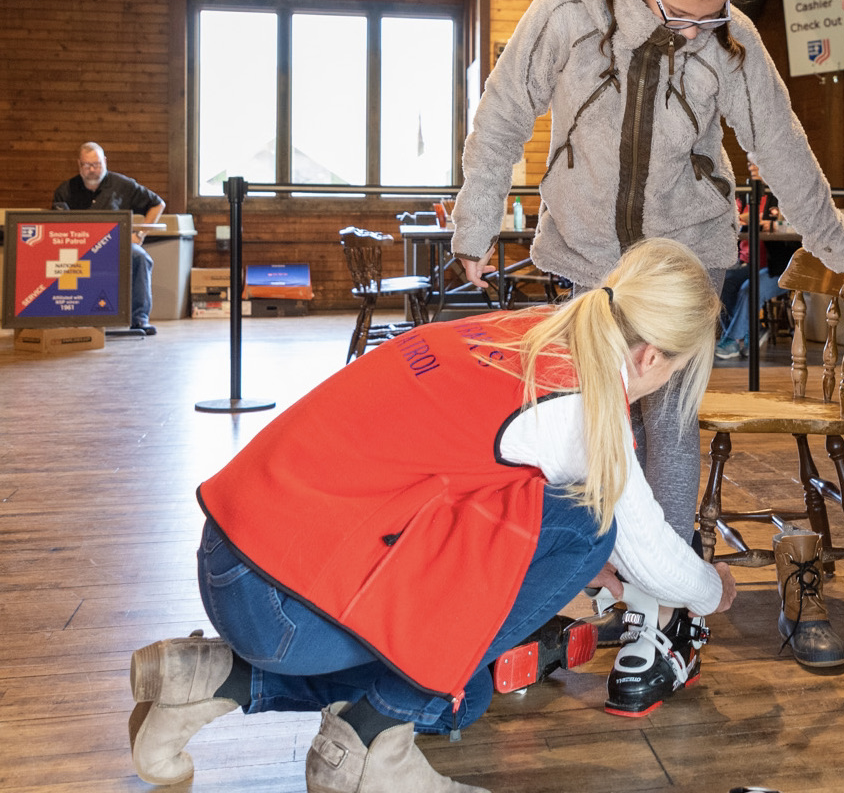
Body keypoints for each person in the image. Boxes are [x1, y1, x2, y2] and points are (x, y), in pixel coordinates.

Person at [125, 238, 736, 793]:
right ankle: (372, 749)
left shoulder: (520, 332)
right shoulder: (580, 406)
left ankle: (211, 682)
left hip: (236, 555)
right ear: (652, 357)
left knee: (463, 693)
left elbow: (466, 487)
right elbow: (651, 554)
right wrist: (715, 591)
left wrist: (575, 569)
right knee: (588, 528)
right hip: (281, 607)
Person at [449, 0, 844, 673]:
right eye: (681, 14)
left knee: (670, 427)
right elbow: (504, 114)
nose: (696, 31)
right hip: (582, 253)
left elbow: (779, 145)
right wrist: (474, 226)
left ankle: (666, 605)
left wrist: (838, 244)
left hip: (687, 257)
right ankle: (608, 583)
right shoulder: (567, 12)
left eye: (712, 16)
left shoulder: (732, 40)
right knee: (586, 424)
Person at [53, 142, 165, 335]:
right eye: (87, 166)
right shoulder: (65, 190)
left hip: (117, 245)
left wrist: (139, 234)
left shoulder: (124, 185)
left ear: (104, 161)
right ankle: (69, 317)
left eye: (96, 164)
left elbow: (157, 204)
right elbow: (57, 226)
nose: (92, 170)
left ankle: (139, 319)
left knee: (140, 257)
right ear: (79, 165)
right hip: (78, 249)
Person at [716, 162, 791, 359]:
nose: (752, 166)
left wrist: (767, 223)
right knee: (722, 282)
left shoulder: (782, 194)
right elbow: (737, 219)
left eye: (758, 161)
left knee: (749, 289)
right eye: (750, 162)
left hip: (779, 267)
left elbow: (788, 225)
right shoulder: (747, 193)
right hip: (751, 263)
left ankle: (733, 339)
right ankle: (754, 330)